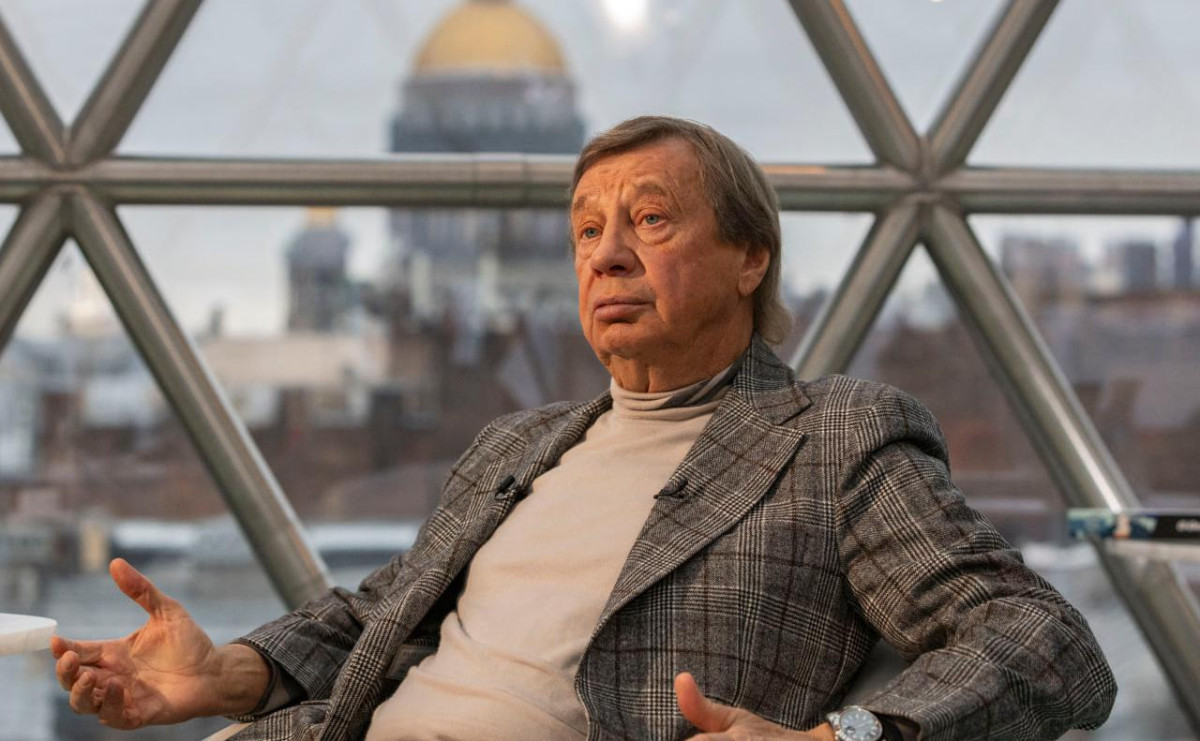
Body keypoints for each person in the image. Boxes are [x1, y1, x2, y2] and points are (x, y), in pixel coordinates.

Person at [52, 116, 1116, 741]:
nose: (606, 254)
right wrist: (226, 674)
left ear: (750, 258)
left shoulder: (836, 436)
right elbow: (379, 613)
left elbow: (1045, 640)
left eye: (650, 220)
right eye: (587, 230)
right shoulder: (520, 444)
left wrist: (844, 738)